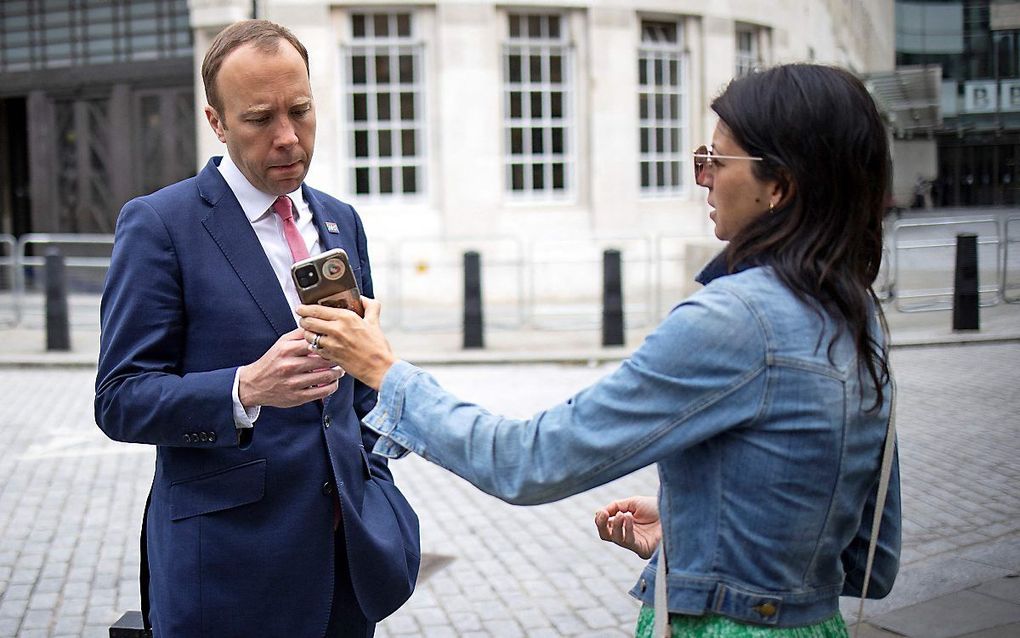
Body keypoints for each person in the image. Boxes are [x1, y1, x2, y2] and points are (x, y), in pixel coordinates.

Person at [297, 63, 901, 636]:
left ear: (782, 185)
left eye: (716, 158)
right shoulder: (855, 310)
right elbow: (872, 559)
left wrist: (384, 371)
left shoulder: (735, 319)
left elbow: (527, 461)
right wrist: (697, 531)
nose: (703, 177)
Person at [95, 19, 419, 638]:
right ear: (217, 122)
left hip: (347, 565)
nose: (288, 138)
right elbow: (119, 399)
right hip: (227, 574)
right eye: (259, 118)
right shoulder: (161, 225)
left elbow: (361, 387)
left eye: (300, 110)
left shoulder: (340, 221)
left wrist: (373, 481)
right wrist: (244, 389)